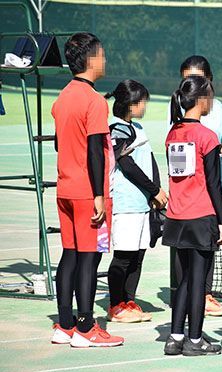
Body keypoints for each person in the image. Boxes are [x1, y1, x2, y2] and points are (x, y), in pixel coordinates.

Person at [50, 32, 124, 347]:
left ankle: (64, 324)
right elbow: (95, 150)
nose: (105, 60)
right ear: (92, 59)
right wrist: (98, 195)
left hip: (65, 188)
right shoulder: (94, 101)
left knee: (70, 254)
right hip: (88, 192)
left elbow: (60, 143)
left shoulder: (63, 97)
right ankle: (86, 327)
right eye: (102, 55)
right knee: (89, 258)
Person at [162, 75, 222, 356]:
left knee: (184, 281)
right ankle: (195, 339)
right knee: (198, 282)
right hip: (201, 217)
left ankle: (175, 337)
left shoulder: (173, 133)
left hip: (177, 217)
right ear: (202, 100)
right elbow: (214, 183)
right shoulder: (206, 137)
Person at [106, 79, 168, 323]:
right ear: (131, 105)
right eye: (142, 102)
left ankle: (128, 301)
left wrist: (156, 192)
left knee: (138, 256)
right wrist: (153, 190)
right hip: (126, 204)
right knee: (123, 256)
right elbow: (128, 166)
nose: (145, 106)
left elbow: (149, 161)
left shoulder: (138, 127)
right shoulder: (116, 129)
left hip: (143, 204)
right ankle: (115, 305)